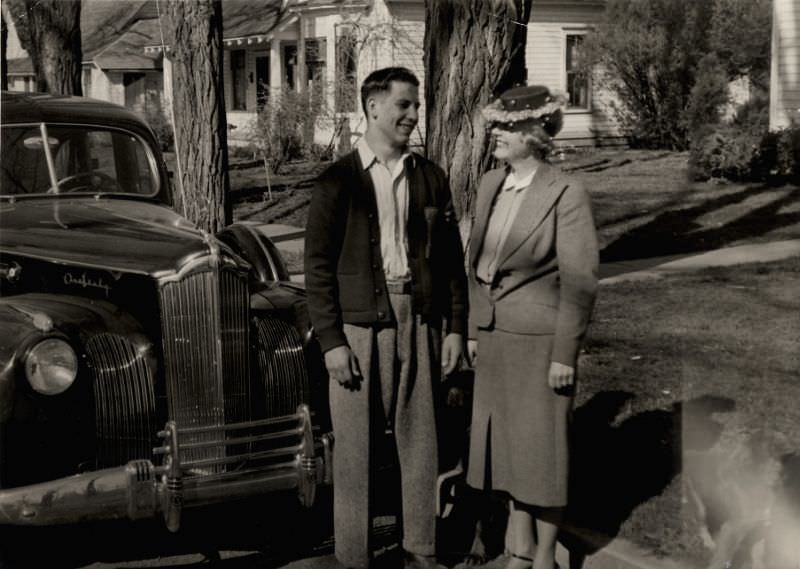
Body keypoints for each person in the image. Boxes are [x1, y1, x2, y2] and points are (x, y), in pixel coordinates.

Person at [304, 66, 467, 569]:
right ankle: (355, 556)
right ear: (373, 107)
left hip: (418, 320)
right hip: (356, 330)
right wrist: (331, 342)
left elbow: (452, 265)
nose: (413, 116)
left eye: (416, 106)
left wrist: (456, 328)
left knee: (422, 441)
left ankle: (421, 548)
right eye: (404, 105)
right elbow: (316, 268)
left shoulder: (430, 177)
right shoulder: (337, 181)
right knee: (354, 451)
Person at [465, 85, 599, 569]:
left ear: (534, 133)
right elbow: (476, 265)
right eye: (495, 124)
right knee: (508, 452)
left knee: (543, 456)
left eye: (505, 127)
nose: (494, 133)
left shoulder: (565, 191)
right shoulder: (489, 185)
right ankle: (518, 550)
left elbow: (581, 281)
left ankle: (544, 557)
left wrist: (566, 353)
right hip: (497, 340)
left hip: (542, 345)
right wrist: (477, 331)